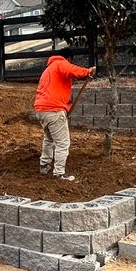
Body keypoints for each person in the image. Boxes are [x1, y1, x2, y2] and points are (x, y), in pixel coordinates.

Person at [33, 52, 95, 182]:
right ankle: (59, 173)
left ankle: (44, 165)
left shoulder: (49, 69)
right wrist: (87, 71)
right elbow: (73, 70)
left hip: (41, 109)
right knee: (63, 143)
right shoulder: (60, 63)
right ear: (69, 58)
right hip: (53, 109)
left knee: (49, 138)